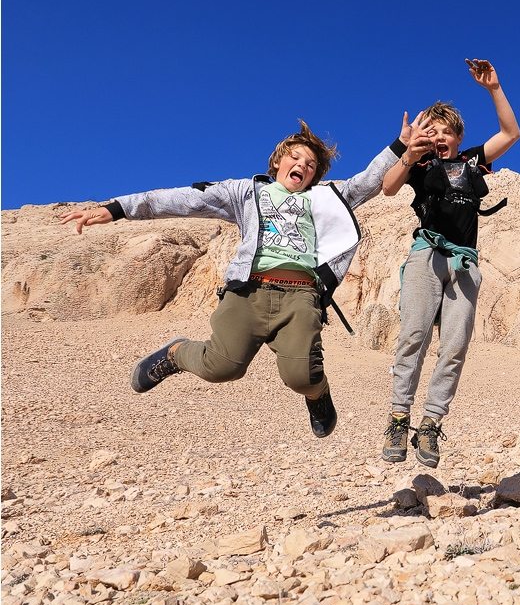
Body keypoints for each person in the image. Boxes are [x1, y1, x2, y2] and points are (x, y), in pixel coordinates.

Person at [59, 117, 412, 439]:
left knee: (302, 377)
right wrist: (117, 208)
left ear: (315, 176)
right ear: (277, 162)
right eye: (295, 157)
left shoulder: (326, 198)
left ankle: (317, 395)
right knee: (221, 367)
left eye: (311, 165)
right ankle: (176, 354)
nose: (302, 166)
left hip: (301, 295)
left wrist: (400, 145)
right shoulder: (245, 192)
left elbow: (368, 181)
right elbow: (183, 199)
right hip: (248, 292)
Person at [380, 59, 520, 468]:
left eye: (447, 132)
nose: (439, 138)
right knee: (414, 336)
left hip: (465, 264)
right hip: (426, 254)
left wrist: (494, 88)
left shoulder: (473, 162)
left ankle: (430, 424)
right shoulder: (419, 165)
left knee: (455, 345)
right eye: (433, 132)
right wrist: (408, 153)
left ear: (459, 138)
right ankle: (398, 419)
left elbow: (511, 133)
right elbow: (388, 188)